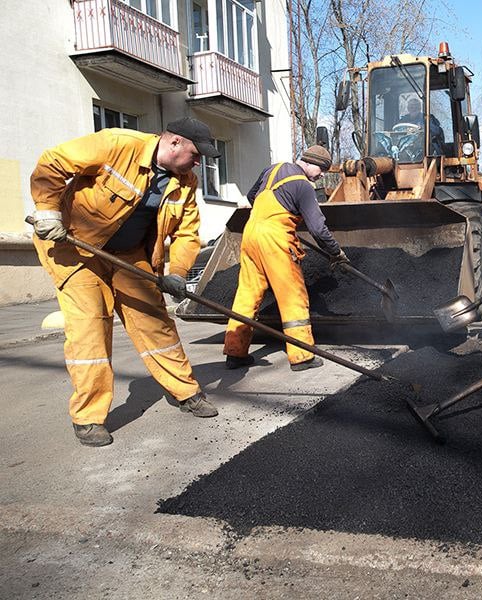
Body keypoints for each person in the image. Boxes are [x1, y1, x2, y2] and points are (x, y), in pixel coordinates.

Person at [30, 117, 220, 447]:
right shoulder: (119, 144)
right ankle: (88, 418)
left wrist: (176, 272)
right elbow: (53, 161)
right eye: (195, 153)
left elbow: (188, 233)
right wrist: (48, 211)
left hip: (129, 254)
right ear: (174, 143)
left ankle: (185, 392)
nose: (198, 161)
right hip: (75, 247)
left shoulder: (186, 181)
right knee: (90, 329)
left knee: (156, 323)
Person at [223, 146, 348, 372]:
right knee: (292, 295)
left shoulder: (272, 170)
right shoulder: (303, 186)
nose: (321, 175)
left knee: (247, 295)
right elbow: (318, 229)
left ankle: (235, 352)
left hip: (250, 234)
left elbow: (253, 196)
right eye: (321, 169)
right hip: (275, 240)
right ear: (311, 163)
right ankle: (301, 355)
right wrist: (336, 252)